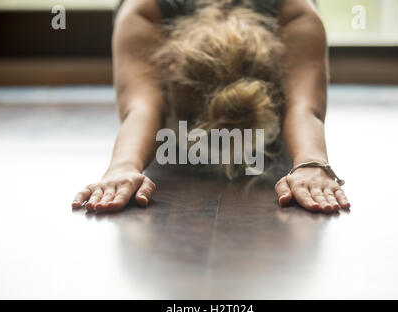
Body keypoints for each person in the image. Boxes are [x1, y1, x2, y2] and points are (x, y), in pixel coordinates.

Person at [72, 0, 350, 214]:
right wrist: (122, 167)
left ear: (278, 81)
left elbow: (303, 106)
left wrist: (311, 164)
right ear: (168, 73)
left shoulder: (295, 11)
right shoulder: (144, 10)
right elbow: (142, 107)